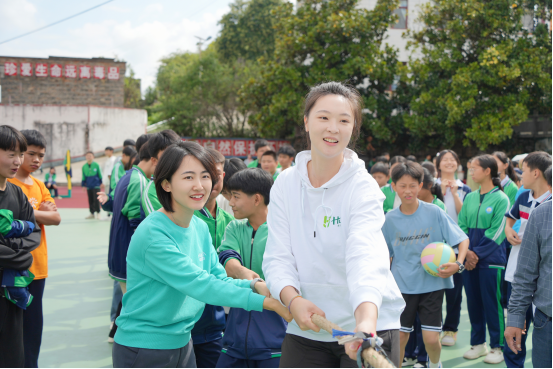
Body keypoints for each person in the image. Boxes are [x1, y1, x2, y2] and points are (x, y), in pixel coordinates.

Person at [262, 82, 405, 368]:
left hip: (367, 326)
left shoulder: (363, 187)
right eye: (323, 117)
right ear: (306, 122)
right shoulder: (285, 183)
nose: (333, 128)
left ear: (353, 128)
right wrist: (293, 300)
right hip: (308, 322)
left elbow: (365, 257)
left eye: (344, 120)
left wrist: (365, 322)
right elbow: (278, 256)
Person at [111, 142, 291, 368]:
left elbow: (218, 277)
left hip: (183, 342)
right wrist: (266, 302)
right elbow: (201, 285)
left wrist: (255, 286)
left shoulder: (198, 227)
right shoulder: (153, 234)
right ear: (166, 184)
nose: (199, 186)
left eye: (205, 176)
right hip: (145, 347)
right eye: (188, 178)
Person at [383, 162, 469, 369]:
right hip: (402, 287)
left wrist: (458, 264)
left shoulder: (435, 212)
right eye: (402, 186)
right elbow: (384, 254)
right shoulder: (389, 219)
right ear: (394, 186)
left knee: (431, 339)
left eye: (413, 185)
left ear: (421, 185)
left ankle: (435, 363)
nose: (408, 191)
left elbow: (462, 240)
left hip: (432, 285)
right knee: (401, 338)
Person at [217, 168, 288, 368]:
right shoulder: (234, 227)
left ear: (257, 199)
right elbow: (228, 259)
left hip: (275, 338)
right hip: (234, 336)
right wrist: (253, 281)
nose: (230, 202)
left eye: (236, 196)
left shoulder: (283, 230)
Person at [8, 130, 61, 368]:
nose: (36, 159)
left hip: (37, 269)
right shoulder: (7, 183)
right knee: (11, 329)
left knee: (32, 329)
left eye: (41, 155)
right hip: (11, 267)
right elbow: (7, 221)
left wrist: (27, 216)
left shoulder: (39, 185)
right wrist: (40, 214)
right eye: (30, 153)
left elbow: (56, 218)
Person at [98, 143, 156, 342]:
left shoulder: (129, 175)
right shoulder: (139, 181)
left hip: (119, 253)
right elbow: (135, 220)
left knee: (127, 301)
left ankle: (117, 334)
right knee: (134, 306)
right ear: (154, 160)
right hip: (127, 255)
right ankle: (127, 345)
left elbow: (114, 204)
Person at [458, 154, 511, 364]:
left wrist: (474, 253)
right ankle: (478, 344)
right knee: (473, 303)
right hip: (469, 260)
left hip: (491, 261)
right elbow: (460, 226)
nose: (471, 172)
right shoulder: (470, 197)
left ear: (487, 171)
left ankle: (498, 347)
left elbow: (498, 232)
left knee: (492, 304)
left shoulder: (501, 198)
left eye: (474, 168)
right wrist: (467, 253)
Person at [503, 152, 551, 368]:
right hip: (546, 317)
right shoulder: (541, 214)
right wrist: (514, 319)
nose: (520, 174)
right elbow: (525, 274)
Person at [0, 125, 41, 368]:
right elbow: (23, 251)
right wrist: (19, 257)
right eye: (11, 154)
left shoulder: (17, 193)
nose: (18, 161)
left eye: (20, 154)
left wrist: (13, 252)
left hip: (13, 292)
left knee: (13, 355)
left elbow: (33, 233)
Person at [191, 148, 235, 368]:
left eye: (214, 174)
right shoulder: (185, 219)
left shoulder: (230, 221)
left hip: (215, 324)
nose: (211, 181)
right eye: (205, 174)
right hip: (186, 326)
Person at [435, 149, 472, 347]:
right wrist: (440, 191)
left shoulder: (464, 189)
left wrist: (455, 194)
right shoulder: (430, 184)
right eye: (445, 160)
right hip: (433, 246)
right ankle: (434, 328)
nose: (449, 163)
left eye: (453, 160)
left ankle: (451, 329)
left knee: (455, 292)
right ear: (438, 164)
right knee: (433, 292)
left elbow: (463, 214)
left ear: (458, 164)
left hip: (456, 247)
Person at [141, 130, 182, 218]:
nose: (174, 159)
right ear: (154, 161)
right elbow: (163, 227)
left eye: (177, 153)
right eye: (167, 155)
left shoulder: (188, 181)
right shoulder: (151, 193)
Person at [82, 151, 103, 220]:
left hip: (96, 185)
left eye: (90, 156)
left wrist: (101, 182)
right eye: (87, 156)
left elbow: (100, 174)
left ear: (93, 157)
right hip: (89, 186)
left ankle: (98, 212)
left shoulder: (96, 165)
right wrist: (83, 185)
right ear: (86, 157)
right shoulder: (84, 167)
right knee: (90, 200)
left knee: (96, 199)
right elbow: (83, 176)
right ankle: (92, 213)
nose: (89, 157)